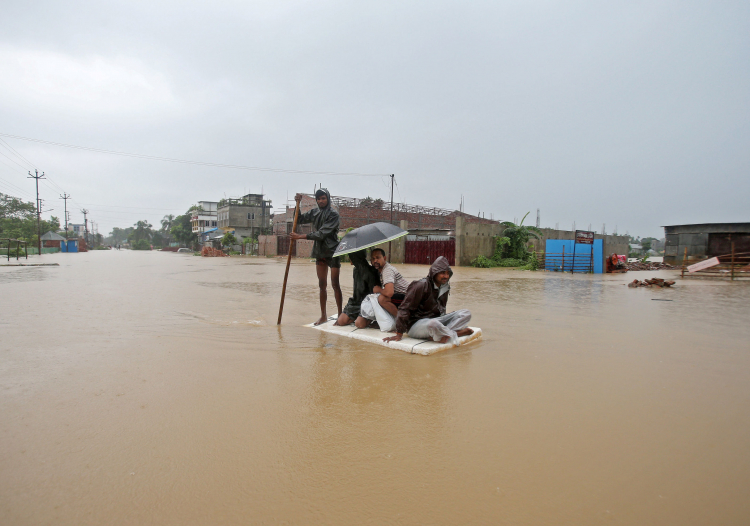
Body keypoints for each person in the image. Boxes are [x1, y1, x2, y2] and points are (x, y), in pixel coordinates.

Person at [383, 256, 473, 345]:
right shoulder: (420, 286)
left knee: (466, 313)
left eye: (447, 273)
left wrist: (445, 322)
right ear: (435, 273)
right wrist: (399, 333)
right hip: (416, 325)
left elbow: (442, 308)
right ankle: (454, 333)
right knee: (433, 324)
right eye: (442, 273)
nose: (446, 276)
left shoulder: (445, 286)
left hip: (436, 320)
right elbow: (404, 309)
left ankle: (444, 334)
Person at [289, 188, 343, 325]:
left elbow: (322, 234)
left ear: (328, 199)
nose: (321, 201)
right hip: (320, 252)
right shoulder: (314, 212)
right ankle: (323, 316)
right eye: (318, 199)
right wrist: (298, 204)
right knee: (321, 285)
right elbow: (299, 219)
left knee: (335, 284)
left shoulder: (333, 214)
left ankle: (340, 314)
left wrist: (300, 236)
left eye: (323, 198)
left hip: (332, 251)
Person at [334, 249, 380, 327]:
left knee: (359, 324)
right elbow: (356, 292)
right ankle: (358, 316)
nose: (350, 259)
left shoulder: (371, 272)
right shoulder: (355, 270)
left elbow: (374, 295)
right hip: (356, 302)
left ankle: (368, 318)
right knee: (341, 321)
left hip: (368, 303)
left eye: (351, 257)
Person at [369, 247, 410, 317]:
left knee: (382, 299)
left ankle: (401, 321)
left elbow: (389, 292)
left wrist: (378, 289)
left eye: (378, 258)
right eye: (373, 259)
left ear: (384, 258)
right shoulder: (382, 270)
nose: (375, 260)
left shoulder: (387, 271)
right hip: (403, 296)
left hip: (409, 298)